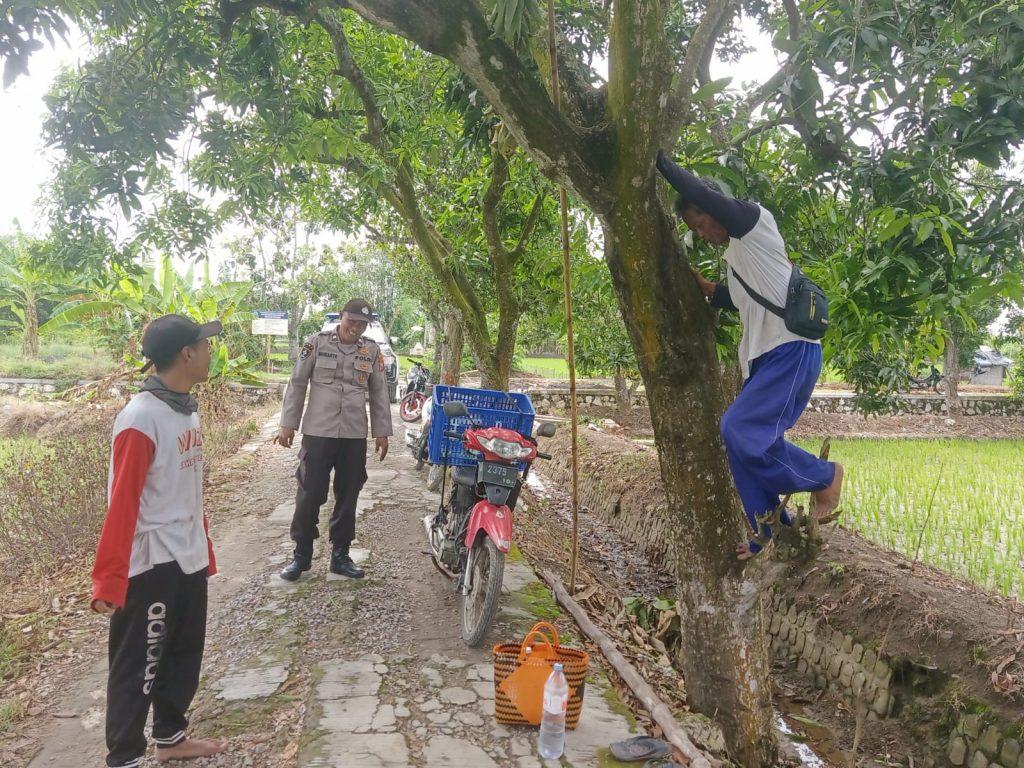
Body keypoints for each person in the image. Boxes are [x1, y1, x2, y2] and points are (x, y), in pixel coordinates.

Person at [656, 149, 843, 560]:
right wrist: (706, 288)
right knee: (739, 443)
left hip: (790, 350)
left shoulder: (754, 225)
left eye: (702, 223)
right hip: (765, 358)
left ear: (714, 207)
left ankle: (825, 476)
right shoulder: (738, 258)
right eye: (695, 230)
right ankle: (771, 527)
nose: (702, 234)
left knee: (738, 429)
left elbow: (695, 188)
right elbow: (739, 302)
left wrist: (658, 161)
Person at [91, 314, 225, 767]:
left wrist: (202, 546)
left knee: (185, 651)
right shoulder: (140, 418)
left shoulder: (184, 407)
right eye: (204, 345)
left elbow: (185, 487)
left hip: (185, 555)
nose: (210, 352)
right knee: (140, 666)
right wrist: (109, 581)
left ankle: (170, 737)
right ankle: (124, 756)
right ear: (186, 354)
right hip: (152, 563)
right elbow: (123, 504)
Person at [276, 298, 394, 581]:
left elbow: (379, 392)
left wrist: (382, 431)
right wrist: (287, 424)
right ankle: (301, 554)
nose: (355, 326)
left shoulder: (372, 350)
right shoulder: (316, 343)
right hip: (318, 431)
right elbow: (297, 383)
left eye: (362, 323)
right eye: (351, 320)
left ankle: (340, 555)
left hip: (353, 433)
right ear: (341, 317)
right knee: (309, 492)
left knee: (348, 493)